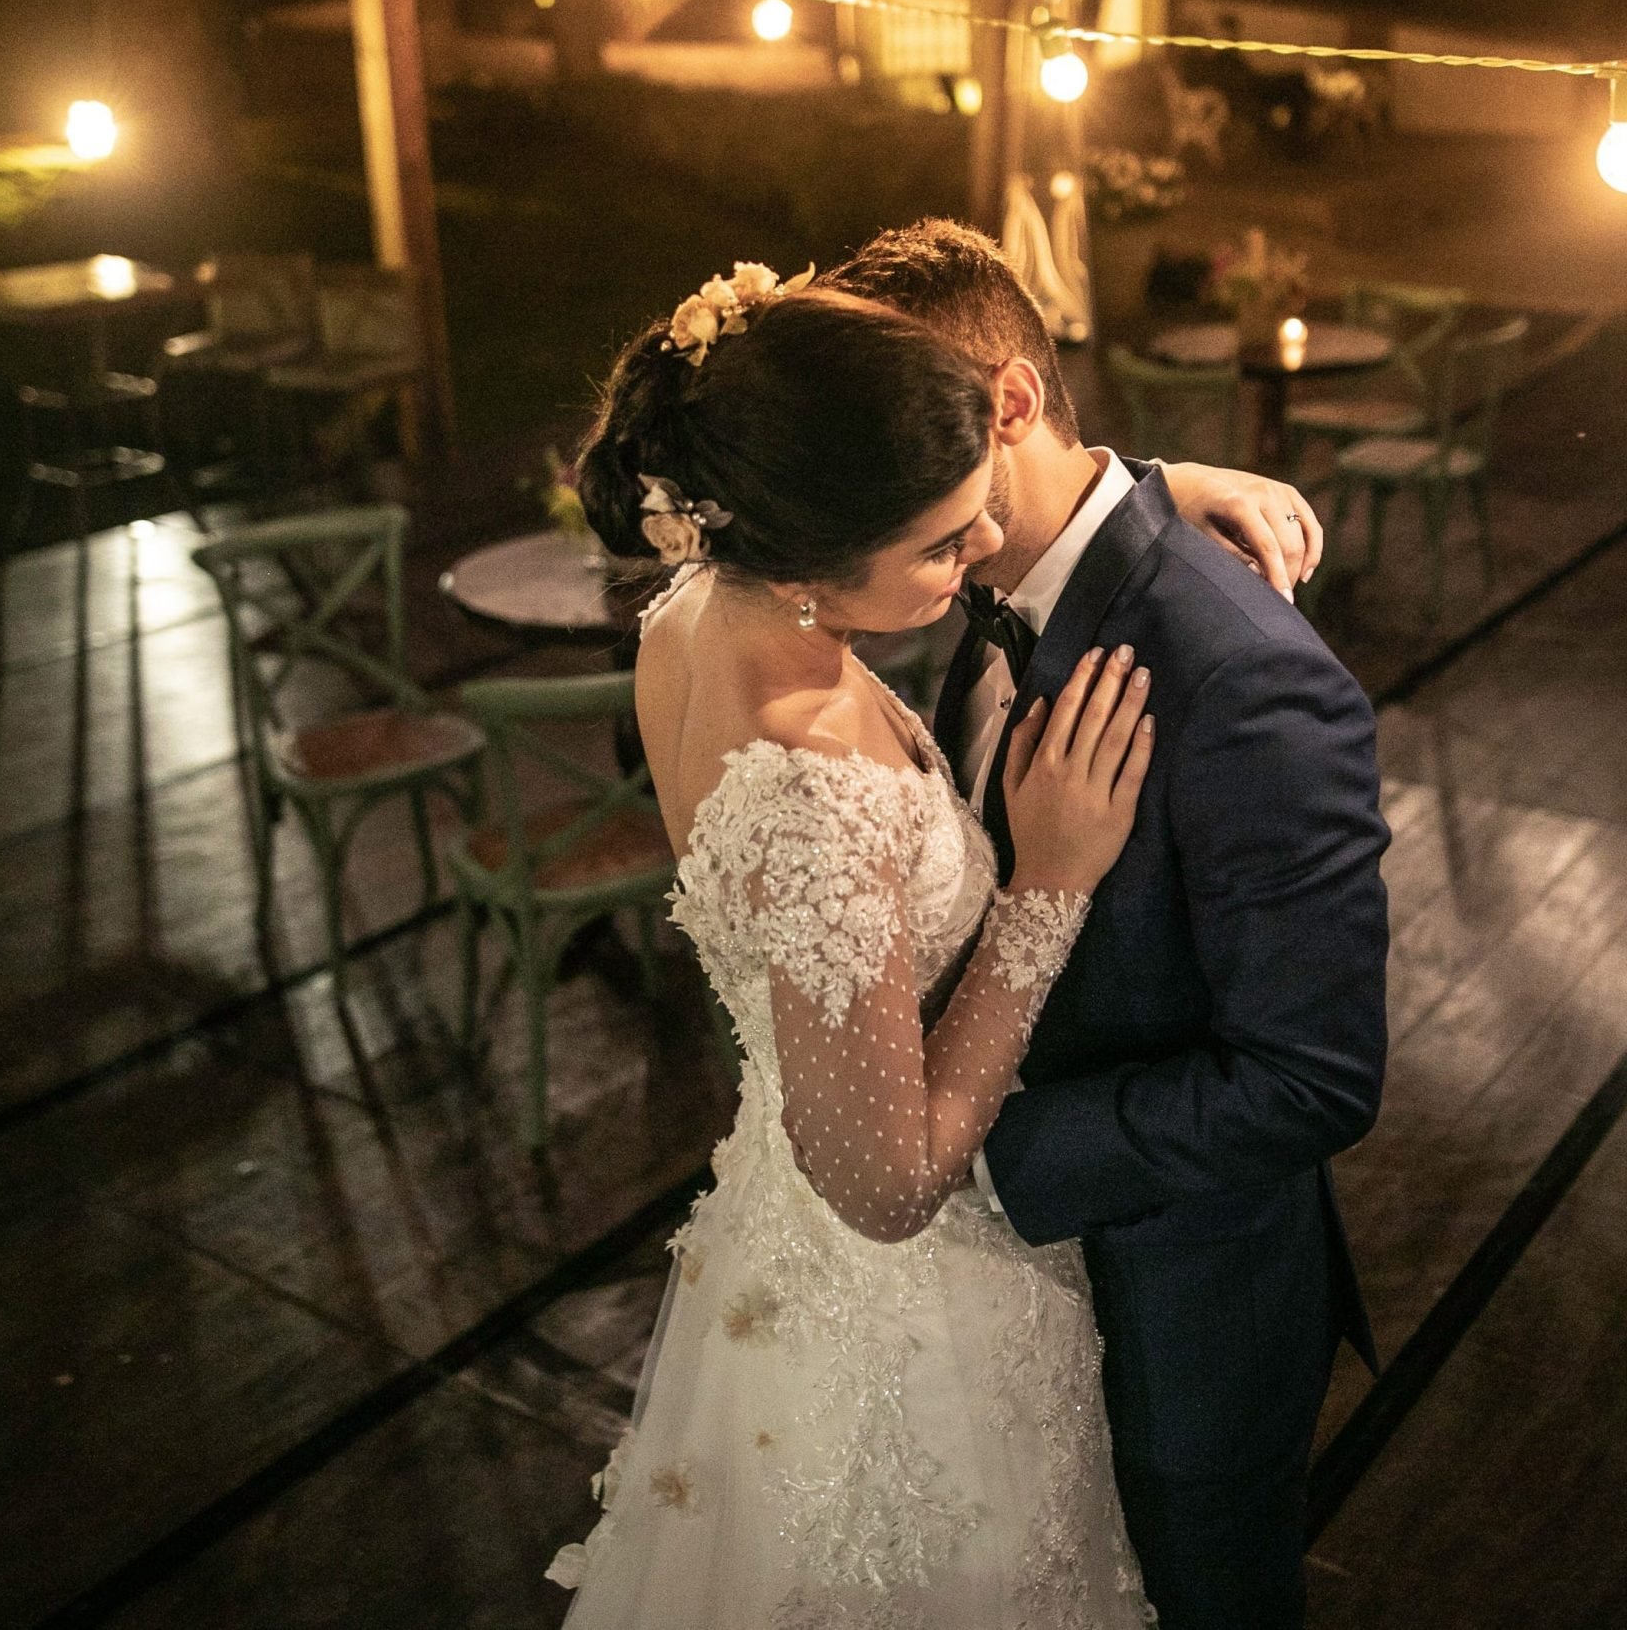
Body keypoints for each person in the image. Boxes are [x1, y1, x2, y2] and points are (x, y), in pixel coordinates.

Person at [547, 259, 1356, 1628]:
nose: (976, 557)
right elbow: (889, 1183)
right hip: (910, 1314)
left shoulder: (704, 597)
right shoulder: (807, 776)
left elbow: (835, 402)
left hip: (776, 1257)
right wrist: (1050, 885)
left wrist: (1136, 493)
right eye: (938, 546)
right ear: (815, 555)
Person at [826, 222, 1391, 1630]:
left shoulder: (1251, 678)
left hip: (1176, 1309)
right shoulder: (980, 569)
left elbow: (1314, 1077)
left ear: (1007, 405)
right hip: (998, 1309)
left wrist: (986, 1160)